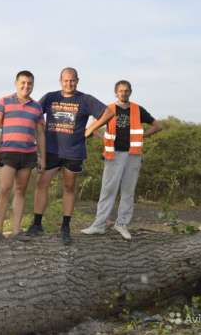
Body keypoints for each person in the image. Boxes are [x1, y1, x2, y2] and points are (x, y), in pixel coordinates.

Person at [26, 67, 114, 245]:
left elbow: (109, 112)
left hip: (73, 151)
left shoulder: (85, 99)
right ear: (60, 81)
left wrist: (90, 129)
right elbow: (33, 113)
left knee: (69, 187)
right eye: (66, 80)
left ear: (77, 81)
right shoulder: (51, 97)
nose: (69, 83)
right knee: (42, 185)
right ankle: (36, 224)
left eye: (72, 80)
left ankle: (65, 227)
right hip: (51, 150)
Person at [82, 80, 162, 240]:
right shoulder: (108, 109)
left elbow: (157, 126)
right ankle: (99, 225)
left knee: (128, 191)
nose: (123, 93)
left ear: (130, 92)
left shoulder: (137, 109)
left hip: (133, 155)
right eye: (121, 91)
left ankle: (122, 224)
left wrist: (143, 136)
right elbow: (91, 128)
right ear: (116, 92)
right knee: (108, 190)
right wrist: (103, 137)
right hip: (113, 155)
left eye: (126, 90)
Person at [0, 70, 45, 242]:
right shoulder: (4, 101)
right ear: (16, 83)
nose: (26, 86)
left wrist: (42, 156)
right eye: (23, 83)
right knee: (4, 189)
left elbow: (41, 134)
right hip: (8, 153)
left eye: (30, 83)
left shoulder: (36, 107)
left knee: (20, 191)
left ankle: (16, 231)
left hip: (28, 154)